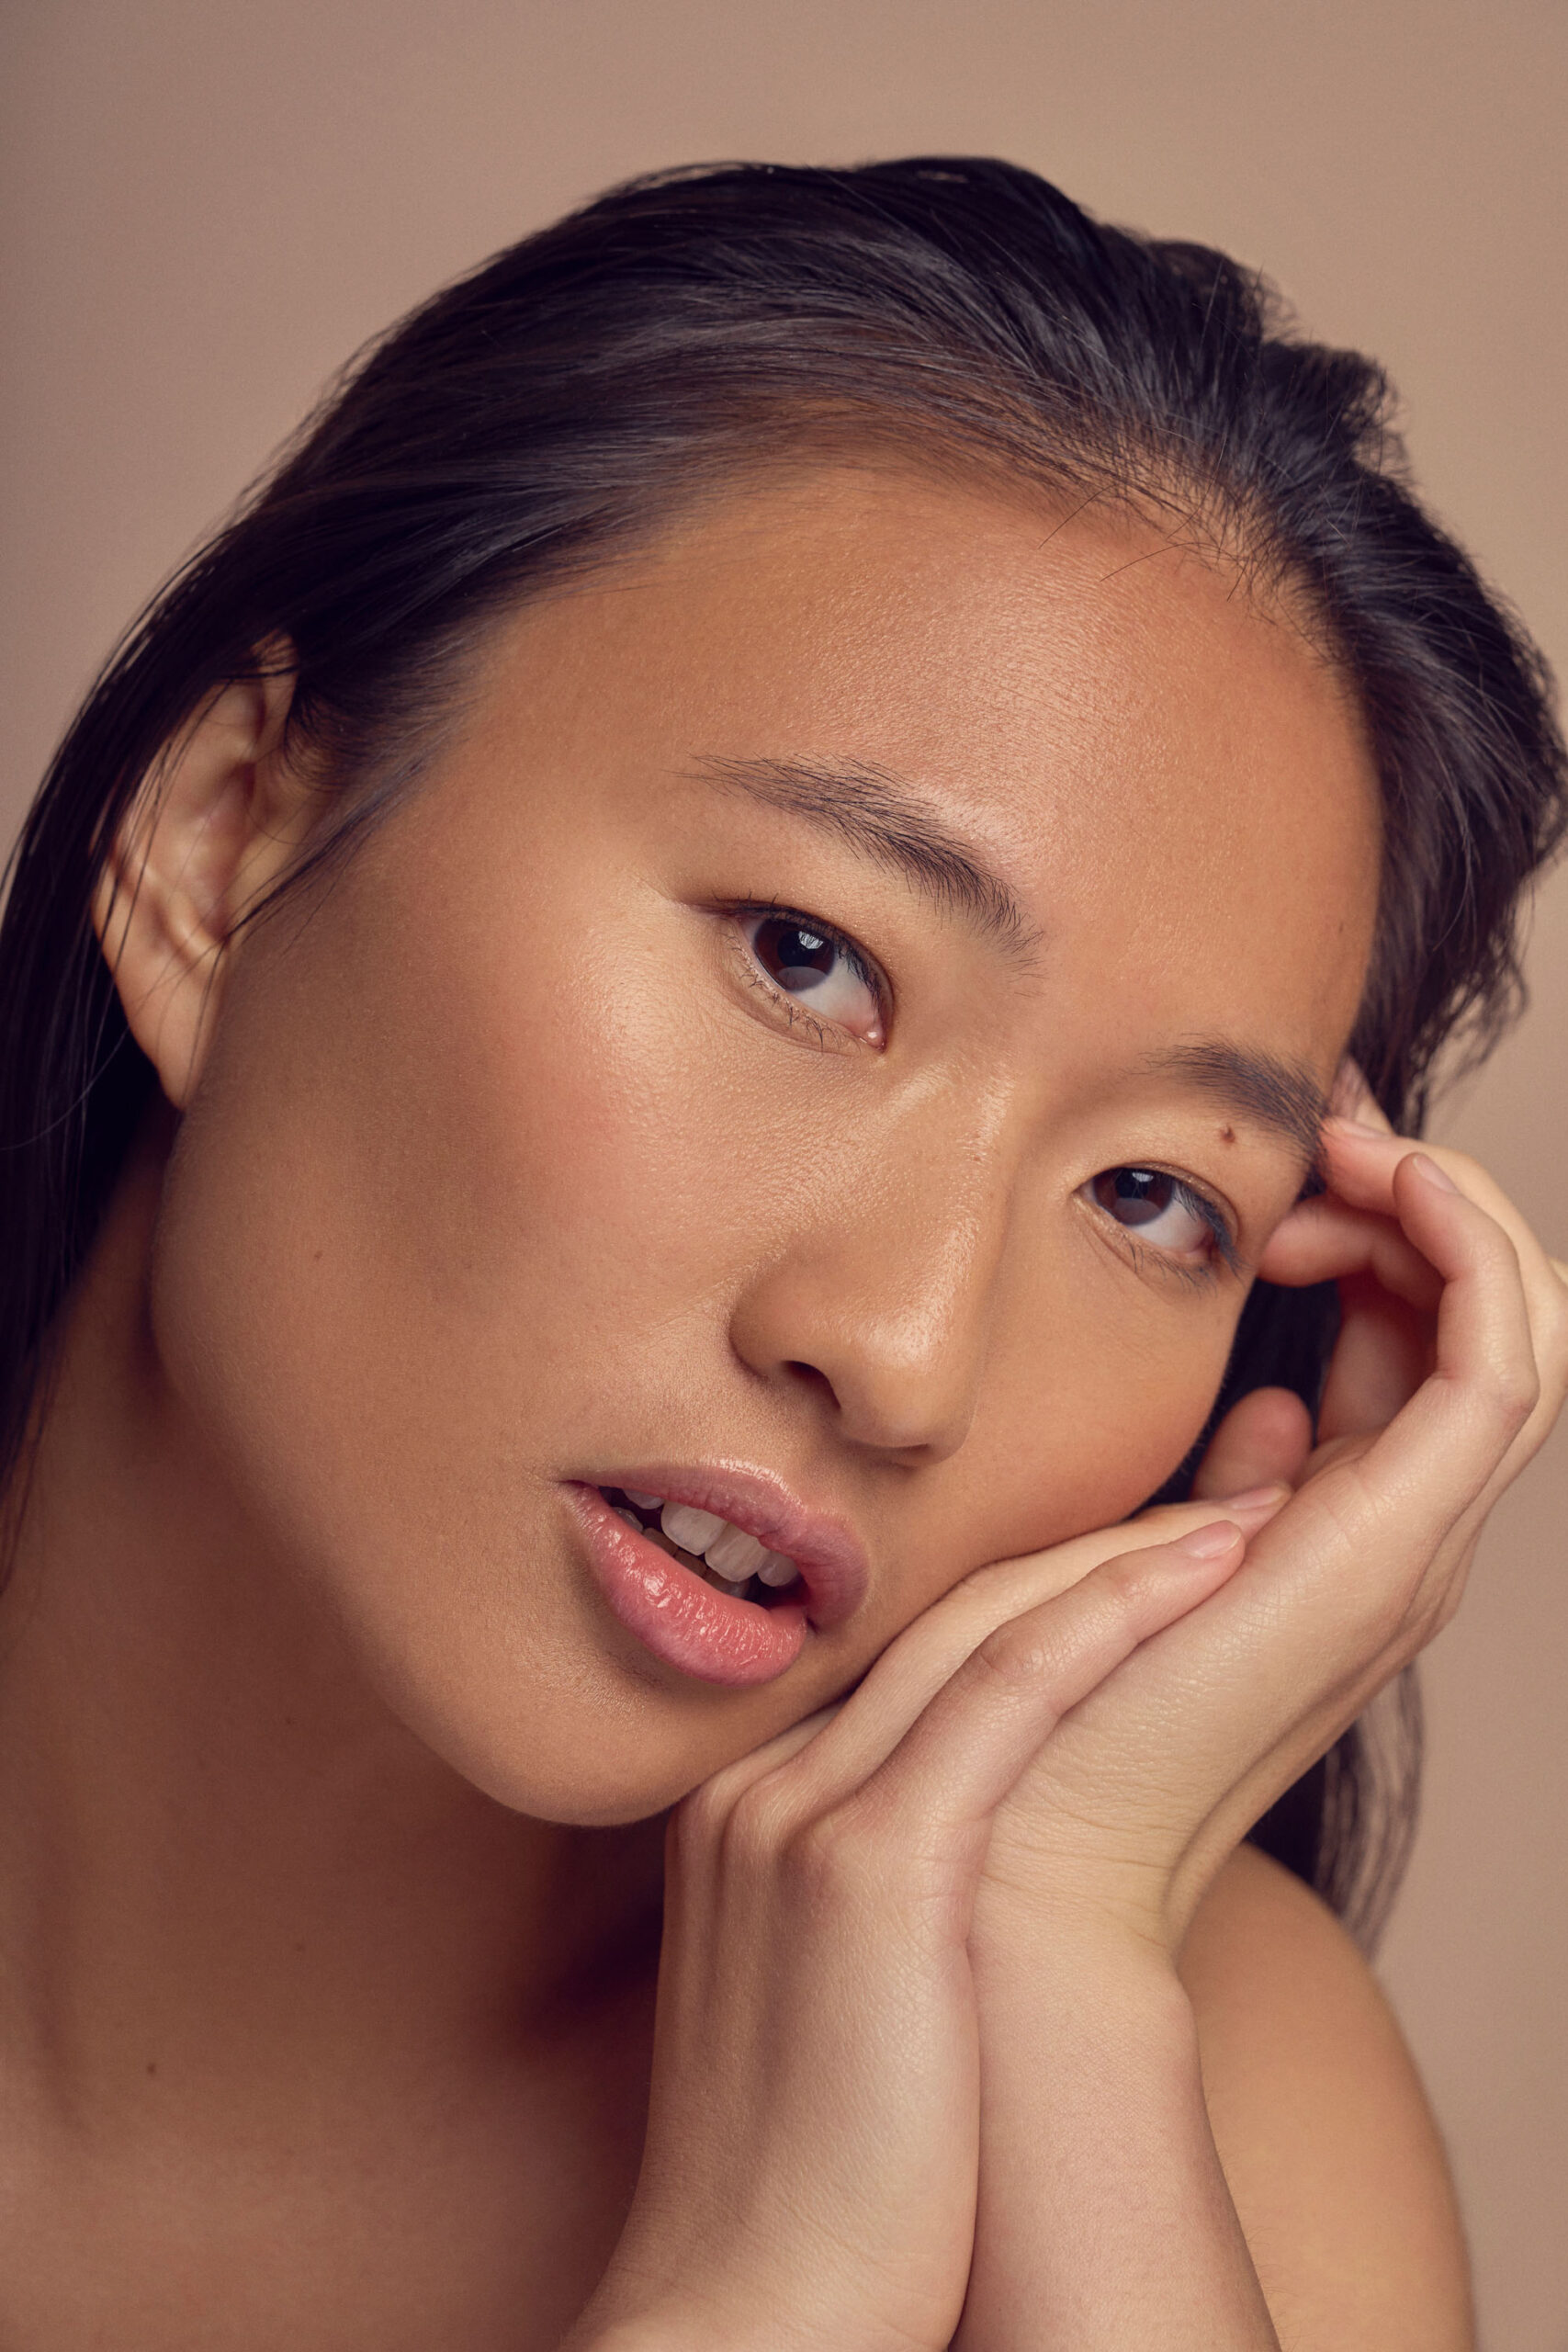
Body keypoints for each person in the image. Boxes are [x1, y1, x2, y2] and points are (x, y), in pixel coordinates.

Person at [0, 155, 1563, 2352]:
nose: (903, 1353)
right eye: (809, 958)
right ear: (221, 840)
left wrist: (1044, 1955)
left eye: (1149, 1195)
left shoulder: (1175, 2104)